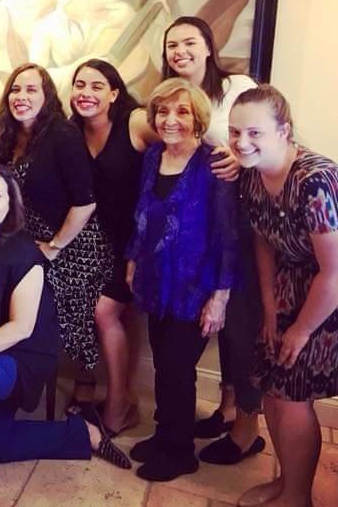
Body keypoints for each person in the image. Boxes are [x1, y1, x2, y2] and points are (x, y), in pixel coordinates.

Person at [0, 162, 130, 507]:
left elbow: (21, 327)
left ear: (10, 202)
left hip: (18, 355)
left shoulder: (23, 253)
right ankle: (83, 433)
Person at [229, 85, 338, 507]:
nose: (241, 142)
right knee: (271, 386)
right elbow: (264, 242)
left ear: (284, 131)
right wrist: (269, 309)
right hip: (286, 288)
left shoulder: (319, 180)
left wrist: (301, 330)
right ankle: (286, 482)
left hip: (329, 297)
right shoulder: (252, 174)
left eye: (254, 133)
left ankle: (298, 497)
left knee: (293, 394)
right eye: (235, 132)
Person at [162, 15, 264, 462]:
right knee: (219, 326)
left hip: (245, 221)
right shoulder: (173, 98)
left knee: (241, 325)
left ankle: (248, 428)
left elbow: (263, 139)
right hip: (205, 225)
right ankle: (226, 409)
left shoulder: (237, 87)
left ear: (208, 46)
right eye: (172, 45)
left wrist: (242, 160)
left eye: (189, 42)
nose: (180, 51)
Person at [125, 79, 238, 481]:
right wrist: (133, 259)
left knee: (178, 369)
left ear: (198, 118)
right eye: (163, 111)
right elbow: (143, 211)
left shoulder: (214, 164)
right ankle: (165, 435)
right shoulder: (154, 155)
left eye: (182, 111)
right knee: (164, 364)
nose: (170, 119)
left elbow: (227, 234)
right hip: (156, 281)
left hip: (195, 287)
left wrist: (220, 297)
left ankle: (179, 452)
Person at [0, 63, 109, 384]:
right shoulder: (4, 137)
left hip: (72, 243)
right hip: (27, 243)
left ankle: (85, 381)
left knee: (58, 305)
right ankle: (2, 374)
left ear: (46, 96)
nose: (21, 97)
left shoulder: (62, 135)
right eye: (15, 89)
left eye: (31, 90)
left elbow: (86, 202)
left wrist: (54, 247)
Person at [69, 59, 157, 435]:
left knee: (105, 313)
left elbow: (183, 140)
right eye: (79, 85)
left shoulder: (134, 122)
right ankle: (124, 397)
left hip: (137, 242)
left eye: (96, 86)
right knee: (118, 316)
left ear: (114, 93)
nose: (86, 93)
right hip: (98, 242)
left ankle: (119, 404)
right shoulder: (72, 132)